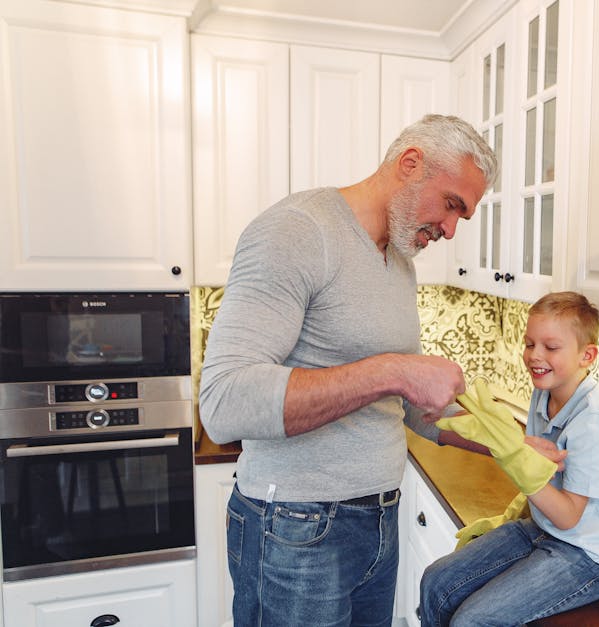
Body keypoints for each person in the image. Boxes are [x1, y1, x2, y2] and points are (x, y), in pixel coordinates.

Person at [199, 114, 513, 627]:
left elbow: (411, 408)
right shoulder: (298, 230)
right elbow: (223, 403)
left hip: (378, 521)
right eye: (451, 204)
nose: (451, 229)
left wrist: (517, 445)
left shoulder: (400, 260)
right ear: (410, 163)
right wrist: (393, 370)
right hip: (295, 530)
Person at [421, 291, 599, 626]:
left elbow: (569, 516)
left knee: (472, 620)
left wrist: (515, 457)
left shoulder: (597, 420)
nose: (534, 355)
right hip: (543, 529)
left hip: (593, 555)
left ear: (587, 355)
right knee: (435, 582)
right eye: (529, 344)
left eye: (551, 347)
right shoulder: (543, 393)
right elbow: (545, 474)